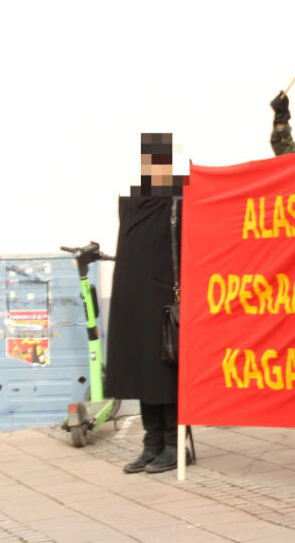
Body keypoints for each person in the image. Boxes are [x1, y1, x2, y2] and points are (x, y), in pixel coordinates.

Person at [105, 133, 192, 475]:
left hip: (165, 300)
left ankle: (175, 444)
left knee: (166, 375)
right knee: (143, 374)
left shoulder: (181, 199)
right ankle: (152, 442)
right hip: (134, 299)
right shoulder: (133, 200)